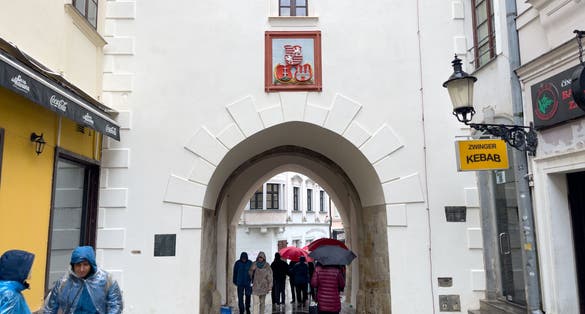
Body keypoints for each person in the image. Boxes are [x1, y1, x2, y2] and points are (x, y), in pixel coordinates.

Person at [43, 246, 123, 314]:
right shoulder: (63, 283)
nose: (81, 269)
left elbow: (115, 306)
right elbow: (50, 308)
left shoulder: (107, 280)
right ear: (73, 265)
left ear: (91, 265)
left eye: (85, 264)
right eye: (78, 265)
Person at [0, 249, 35, 314]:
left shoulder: (4, 287)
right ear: (18, 270)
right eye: (28, 268)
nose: (30, 270)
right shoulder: (11, 295)